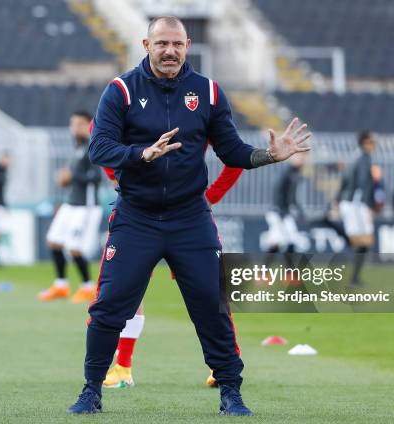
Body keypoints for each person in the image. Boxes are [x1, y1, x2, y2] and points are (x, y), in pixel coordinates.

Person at [66, 16, 311, 416]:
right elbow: (99, 148)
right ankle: (91, 389)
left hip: (189, 218)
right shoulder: (121, 91)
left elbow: (231, 151)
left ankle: (230, 390)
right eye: (162, 43)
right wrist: (140, 154)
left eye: (177, 45)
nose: (170, 51)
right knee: (109, 305)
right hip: (137, 216)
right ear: (146, 44)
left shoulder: (209, 92)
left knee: (212, 305)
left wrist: (269, 154)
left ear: (188, 45)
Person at [102, 164, 243, 389]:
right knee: (126, 287)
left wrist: (211, 196)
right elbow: (102, 144)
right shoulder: (110, 127)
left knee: (209, 290)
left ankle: (224, 365)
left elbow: (235, 154)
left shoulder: (197, 127)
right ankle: (122, 367)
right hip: (140, 216)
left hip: (188, 219)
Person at [38, 111, 103, 303]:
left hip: (86, 206)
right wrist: (65, 180)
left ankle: (87, 287)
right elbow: (74, 176)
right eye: (73, 124)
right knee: (54, 241)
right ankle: (61, 285)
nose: (75, 128)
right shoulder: (77, 148)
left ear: (88, 125)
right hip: (71, 203)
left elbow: (96, 177)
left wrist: (72, 177)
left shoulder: (92, 146)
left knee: (75, 248)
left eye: (80, 124)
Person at [338, 130, 377, 285]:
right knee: (363, 239)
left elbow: (345, 181)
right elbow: (361, 184)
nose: (374, 145)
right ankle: (352, 277)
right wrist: (367, 207)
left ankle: (354, 277)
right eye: (372, 141)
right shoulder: (364, 159)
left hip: (351, 202)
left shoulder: (356, 157)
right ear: (365, 142)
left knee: (362, 241)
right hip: (356, 204)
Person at [263, 153, 306, 271]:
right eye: (299, 157)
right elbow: (278, 191)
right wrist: (280, 211)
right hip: (278, 213)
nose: (302, 160)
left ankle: (266, 273)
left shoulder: (295, 173)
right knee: (288, 240)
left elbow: (292, 197)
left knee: (278, 242)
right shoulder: (287, 173)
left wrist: (299, 212)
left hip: (283, 213)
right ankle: (287, 273)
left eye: (303, 157)